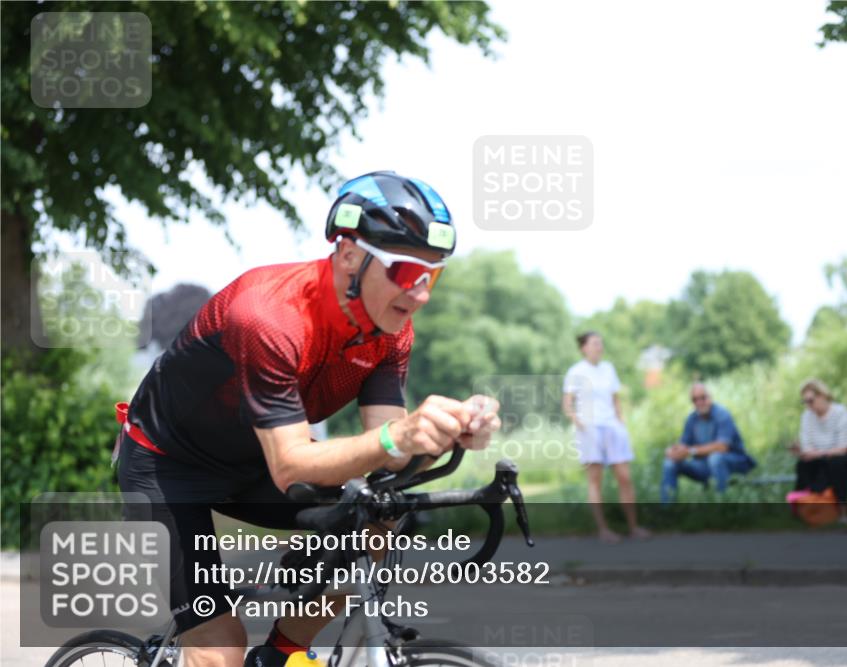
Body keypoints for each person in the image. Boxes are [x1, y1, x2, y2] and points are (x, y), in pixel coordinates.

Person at [116, 171, 501, 667]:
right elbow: (292, 466)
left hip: (253, 460)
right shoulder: (267, 317)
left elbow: (389, 457)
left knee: (376, 519)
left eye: (433, 275)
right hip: (168, 467)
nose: (421, 293)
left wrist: (447, 437)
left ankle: (281, 652)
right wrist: (399, 434)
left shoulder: (389, 332)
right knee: (220, 649)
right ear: (348, 255)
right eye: (407, 274)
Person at [562, 332, 651, 543]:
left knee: (625, 478)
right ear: (584, 347)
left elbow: (615, 399)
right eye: (594, 343)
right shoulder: (575, 372)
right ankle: (603, 530)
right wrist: (579, 423)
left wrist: (621, 423)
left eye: (601, 343)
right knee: (595, 481)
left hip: (612, 427)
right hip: (589, 429)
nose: (599, 346)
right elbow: (567, 405)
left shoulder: (608, 368)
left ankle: (633, 527)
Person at [660, 384, 756, 503]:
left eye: (703, 397)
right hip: (703, 466)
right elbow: (683, 445)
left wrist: (691, 451)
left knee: (715, 458)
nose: (700, 402)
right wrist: (672, 451)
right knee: (669, 464)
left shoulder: (722, 415)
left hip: (733, 461)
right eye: (695, 399)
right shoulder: (691, 419)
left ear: (710, 397)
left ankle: (722, 504)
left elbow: (722, 447)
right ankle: (667, 509)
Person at [793, 378, 847, 523]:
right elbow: (808, 448)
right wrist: (805, 453)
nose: (808, 405)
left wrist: (815, 453)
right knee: (803, 465)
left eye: (810, 400)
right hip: (826, 458)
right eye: (805, 402)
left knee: (836, 464)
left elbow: (843, 449)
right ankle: (805, 509)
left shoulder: (840, 412)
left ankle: (843, 513)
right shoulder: (807, 417)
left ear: (822, 395)